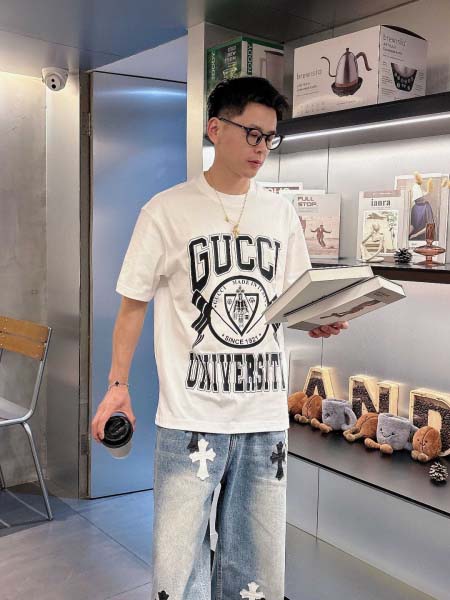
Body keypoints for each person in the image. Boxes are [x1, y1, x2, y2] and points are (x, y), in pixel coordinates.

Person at [91, 76, 348, 600]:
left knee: (257, 574)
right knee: (178, 573)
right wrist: (118, 385)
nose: (262, 148)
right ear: (215, 128)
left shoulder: (280, 214)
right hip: (190, 418)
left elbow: (290, 299)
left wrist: (315, 318)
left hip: (264, 419)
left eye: (270, 138)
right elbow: (133, 305)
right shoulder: (165, 211)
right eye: (252, 133)